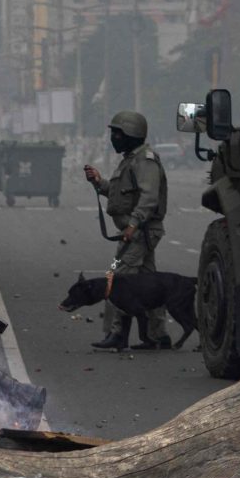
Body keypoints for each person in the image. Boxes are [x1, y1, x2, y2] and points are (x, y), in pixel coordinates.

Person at [81, 109, 167, 351]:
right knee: (150, 284)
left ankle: (118, 333)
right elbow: (123, 196)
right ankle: (157, 334)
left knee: (118, 282)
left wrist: (133, 224)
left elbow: (149, 198)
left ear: (131, 134)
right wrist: (99, 183)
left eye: (117, 134)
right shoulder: (131, 160)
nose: (113, 139)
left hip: (140, 231)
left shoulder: (145, 161)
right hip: (139, 230)